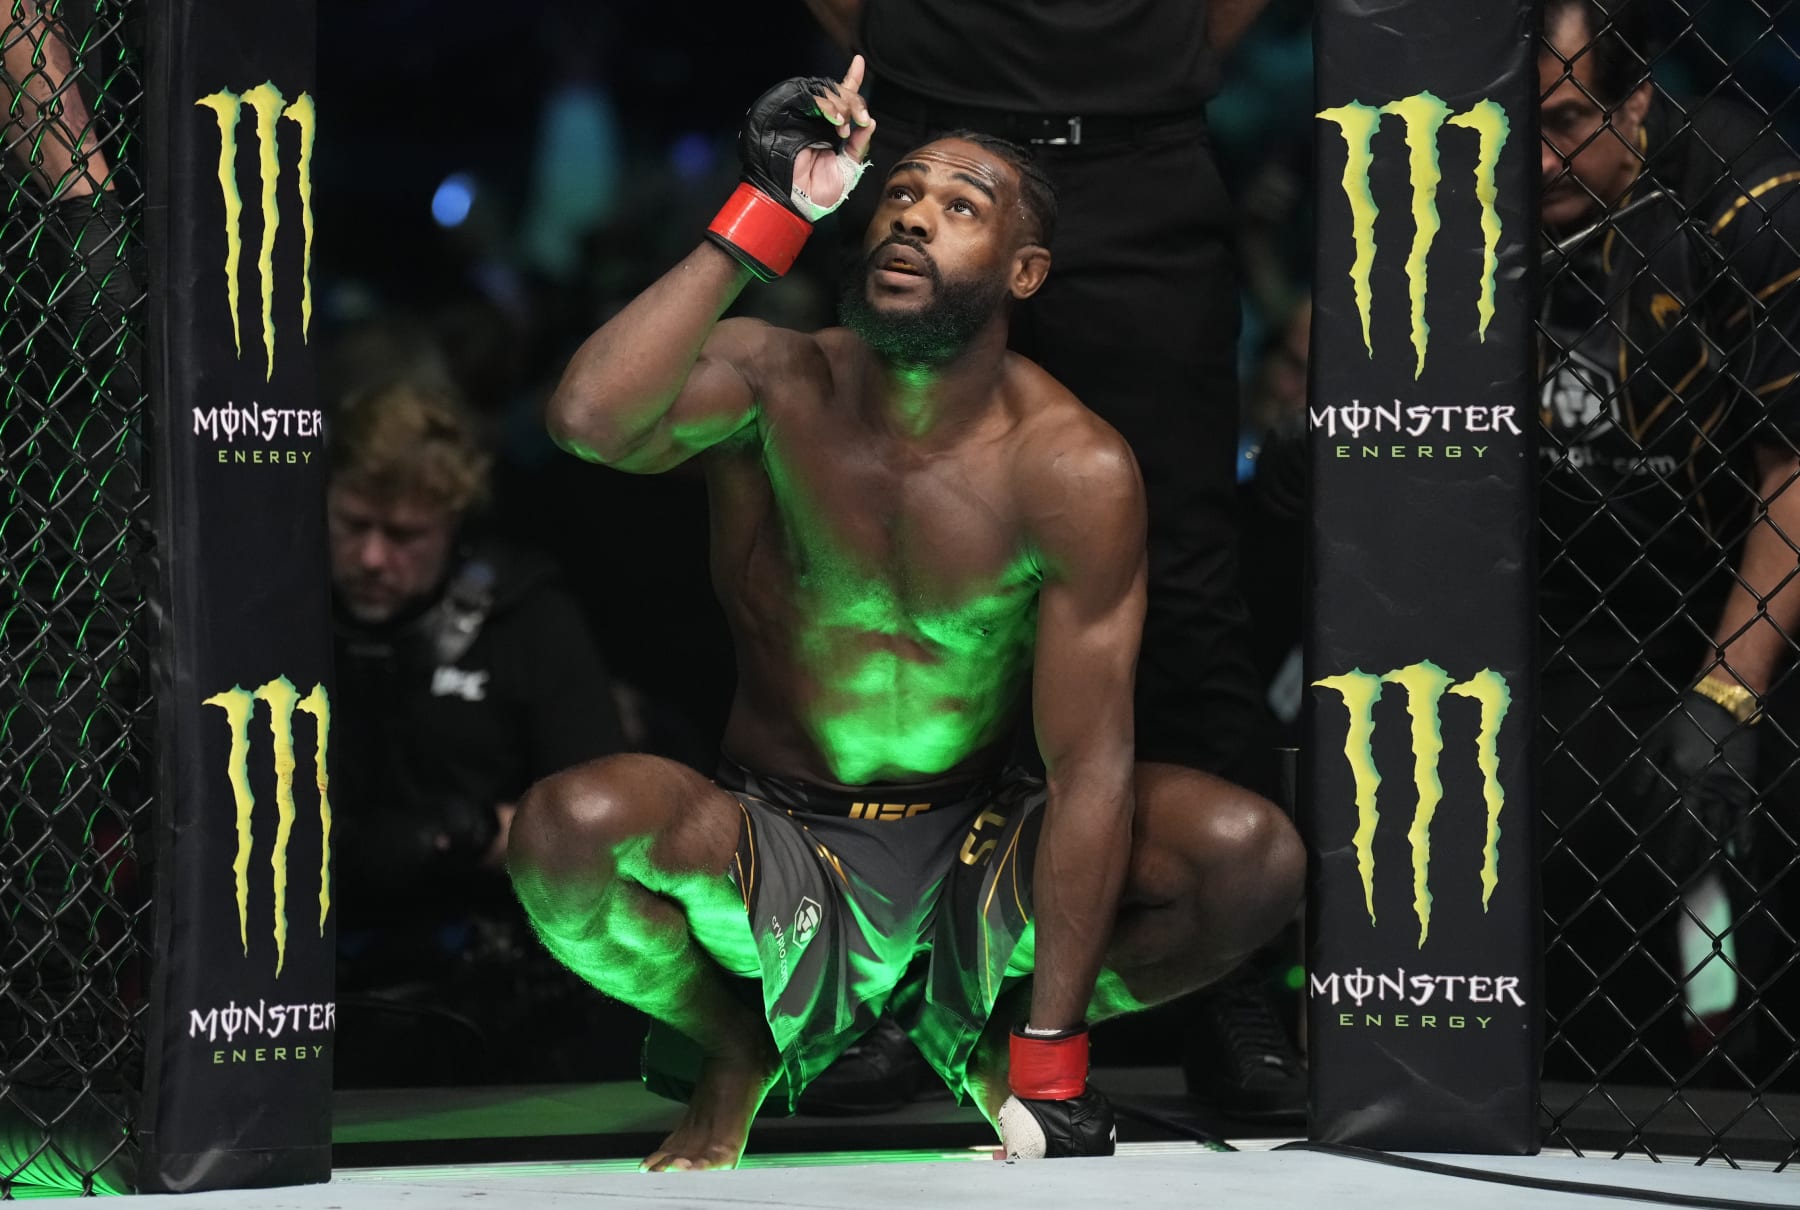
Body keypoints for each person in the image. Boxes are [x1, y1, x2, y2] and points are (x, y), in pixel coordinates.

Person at [505, 59, 1305, 1170]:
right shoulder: (772, 384)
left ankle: (967, 1034)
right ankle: (733, 1042)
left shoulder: (1070, 465)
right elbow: (589, 419)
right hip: (776, 831)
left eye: (960, 207)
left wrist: (1053, 1060)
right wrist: (765, 209)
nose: (915, 218)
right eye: (900, 196)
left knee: (1248, 856)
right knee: (564, 832)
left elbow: (1092, 768)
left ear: (1024, 272)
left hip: (977, 846)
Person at [795, 0, 1305, 1119]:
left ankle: (1228, 987)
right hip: (941, 139)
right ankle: (881, 976)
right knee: (896, 544)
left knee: (1180, 562)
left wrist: (1150, 59)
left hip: (1139, 160)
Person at [1535, 0, 1800, 1084]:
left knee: (1775, 823)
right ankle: (1600, 1104)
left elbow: (1794, 469)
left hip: (1751, 565)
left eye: (1561, 121)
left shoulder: (1755, 204)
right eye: (1506, 131)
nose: (1533, 158)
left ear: (1636, 100)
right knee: (1558, 849)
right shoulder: (1458, 203)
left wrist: (1730, 688)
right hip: (1581, 585)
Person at [324, 377, 630, 1084]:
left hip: (479, 966)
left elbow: (607, 819)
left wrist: (466, 832)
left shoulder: (526, 618)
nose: (372, 558)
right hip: (302, 957)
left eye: (404, 535)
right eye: (352, 524)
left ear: (453, 521)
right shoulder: (269, 609)